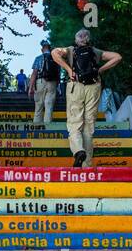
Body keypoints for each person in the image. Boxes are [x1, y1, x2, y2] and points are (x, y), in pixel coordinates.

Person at [51, 30, 121, 166]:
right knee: (88, 127)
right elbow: (117, 57)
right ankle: (87, 165)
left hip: (75, 86)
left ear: (76, 40)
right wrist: (100, 70)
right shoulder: (96, 52)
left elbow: (54, 53)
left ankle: (78, 150)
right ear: (88, 39)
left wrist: (69, 69)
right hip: (93, 87)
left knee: (74, 123)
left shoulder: (70, 50)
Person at [29, 40, 61, 125]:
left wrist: (30, 88)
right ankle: (47, 129)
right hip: (52, 83)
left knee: (39, 106)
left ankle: (36, 128)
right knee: (49, 106)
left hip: (40, 82)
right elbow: (58, 74)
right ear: (50, 49)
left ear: (42, 49)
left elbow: (34, 73)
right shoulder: (55, 59)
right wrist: (56, 85)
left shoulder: (38, 58)